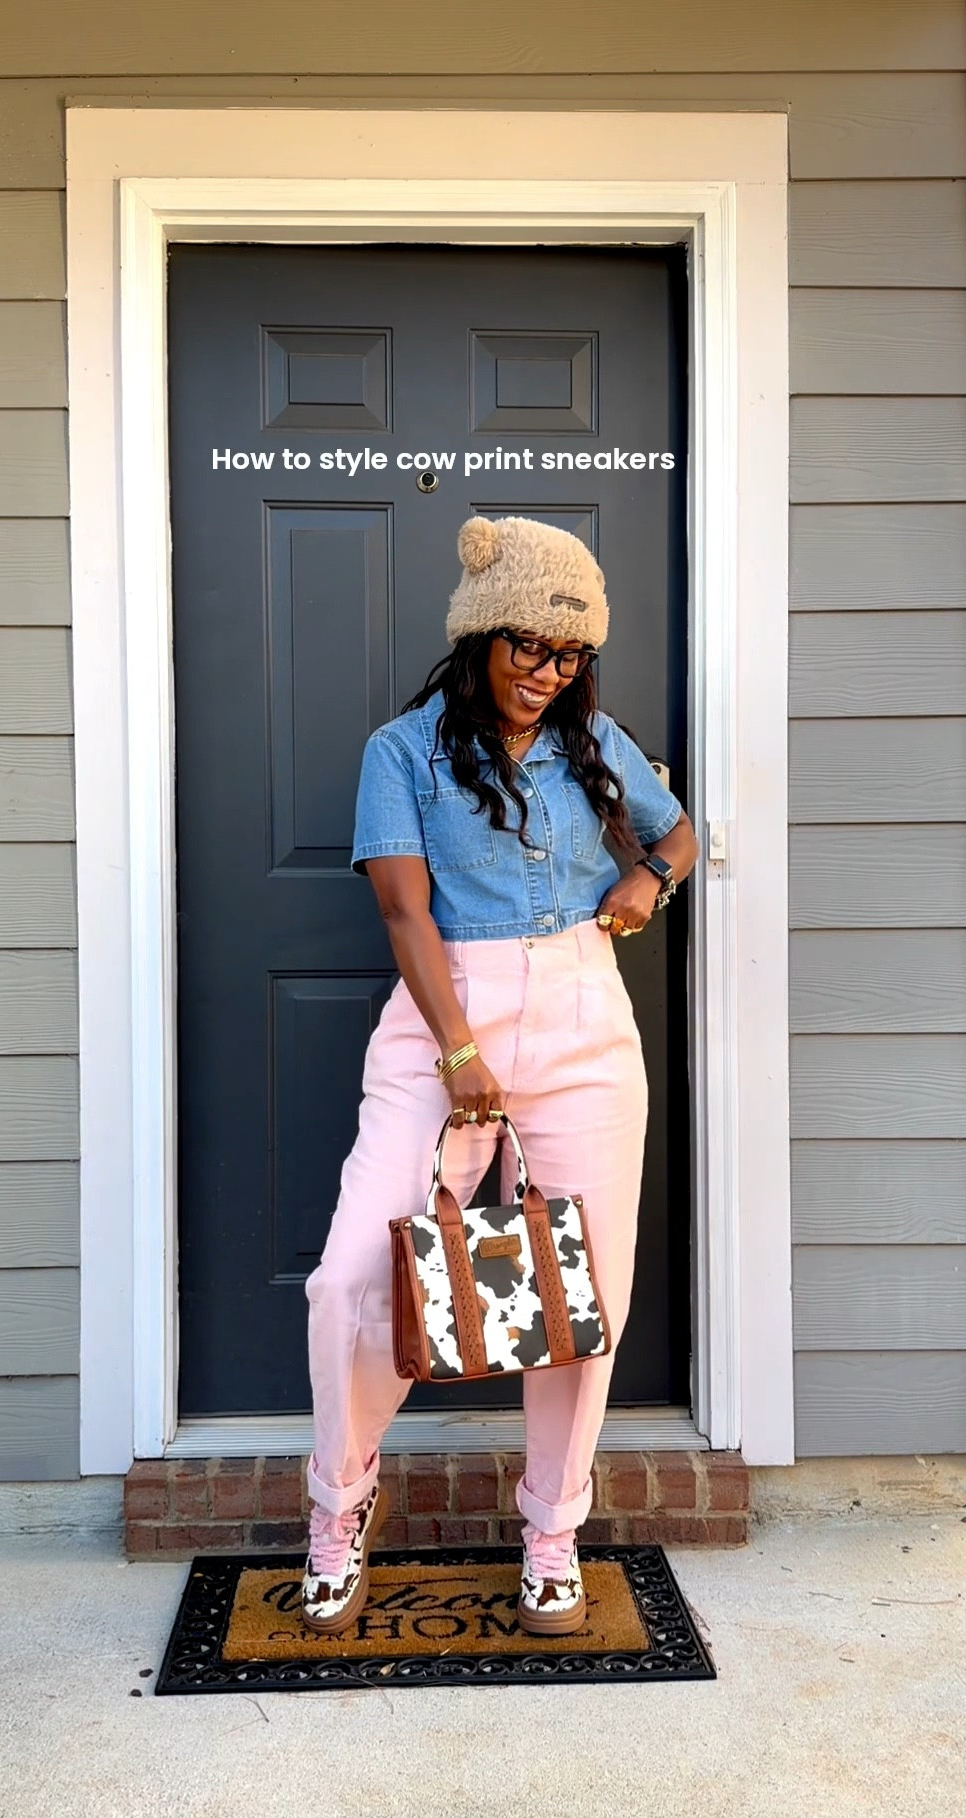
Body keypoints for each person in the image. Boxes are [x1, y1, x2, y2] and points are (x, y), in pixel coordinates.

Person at [300, 514, 699, 1635]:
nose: (547, 672)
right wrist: (462, 1051)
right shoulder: (404, 752)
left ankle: (552, 1533)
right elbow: (401, 910)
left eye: (569, 655)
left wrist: (647, 885)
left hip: (581, 1023)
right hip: (445, 1023)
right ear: (481, 635)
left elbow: (675, 836)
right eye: (528, 645)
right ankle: (339, 1504)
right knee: (350, 1279)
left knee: (584, 1301)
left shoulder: (598, 742)